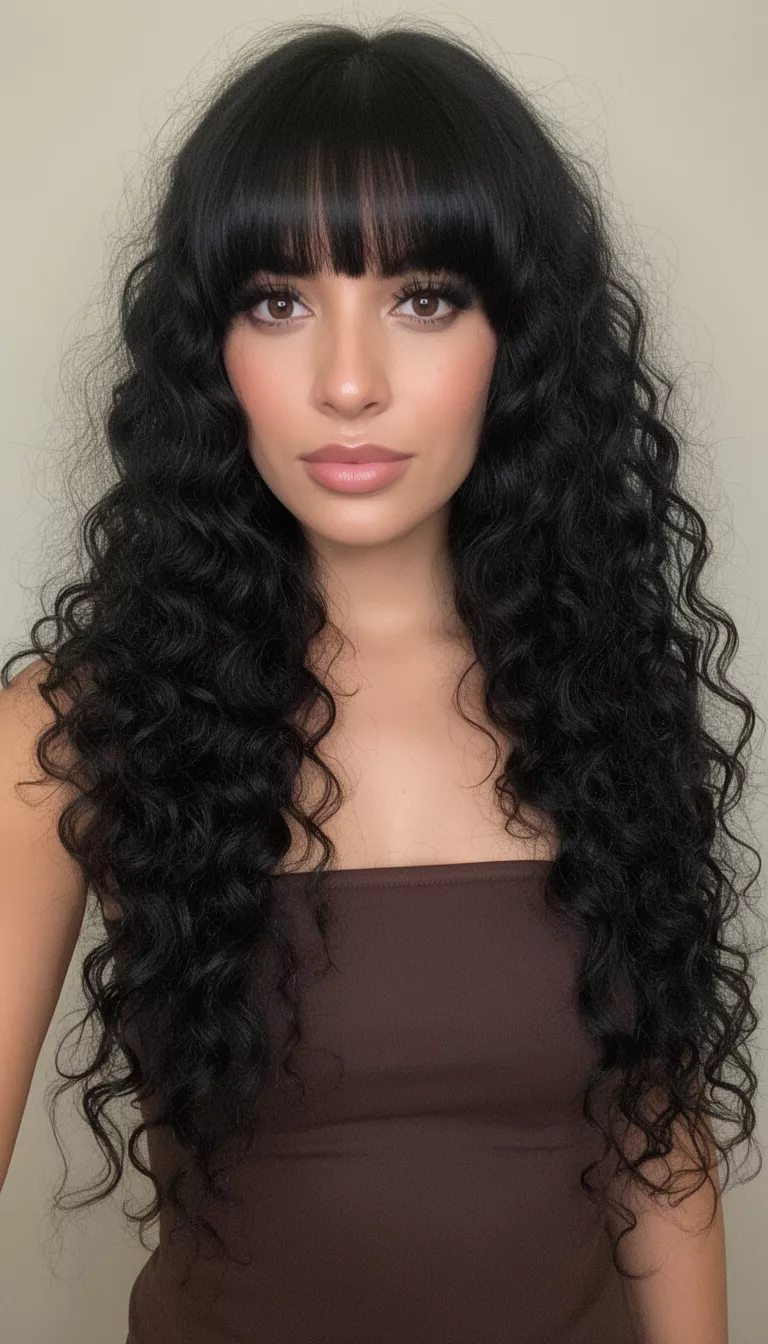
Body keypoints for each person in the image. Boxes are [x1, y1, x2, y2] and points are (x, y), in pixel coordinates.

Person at [0, 17, 761, 1344]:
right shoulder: (69, 737)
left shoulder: (605, 698)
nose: (348, 382)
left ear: (513, 343)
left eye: (422, 297)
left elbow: (658, 1144)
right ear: (209, 353)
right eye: (278, 301)